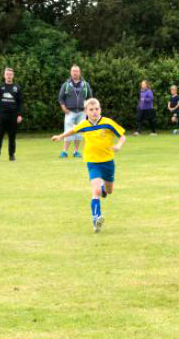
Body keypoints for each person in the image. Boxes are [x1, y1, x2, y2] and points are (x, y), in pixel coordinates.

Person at [51, 98, 126, 233]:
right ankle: (96, 220)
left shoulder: (108, 123)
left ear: (100, 109)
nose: (94, 112)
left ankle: (104, 188)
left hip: (108, 162)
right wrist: (60, 136)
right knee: (95, 192)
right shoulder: (84, 124)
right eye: (91, 110)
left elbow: (122, 136)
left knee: (108, 191)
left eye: (96, 109)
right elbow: (73, 131)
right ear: (86, 111)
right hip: (92, 162)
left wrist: (119, 145)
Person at [58, 64, 94, 158]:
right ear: (70, 72)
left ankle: (76, 152)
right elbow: (61, 98)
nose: (75, 73)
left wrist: (88, 110)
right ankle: (64, 152)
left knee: (79, 133)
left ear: (80, 72)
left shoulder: (85, 84)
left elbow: (90, 98)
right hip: (69, 112)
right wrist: (64, 108)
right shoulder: (66, 85)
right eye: (73, 71)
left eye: (76, 71)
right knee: (68, 131)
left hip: (82, 112)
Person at [0, 67, 23, 161]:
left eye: (10, 74)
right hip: (1, 115)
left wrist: (20, 115)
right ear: (4, 75)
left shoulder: (17, 88)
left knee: (12, 137)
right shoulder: (0, 87)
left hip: (13, 116)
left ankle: (11, 155)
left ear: (13, 76)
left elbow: (20, 102)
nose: (9, 76)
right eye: (7, 74)